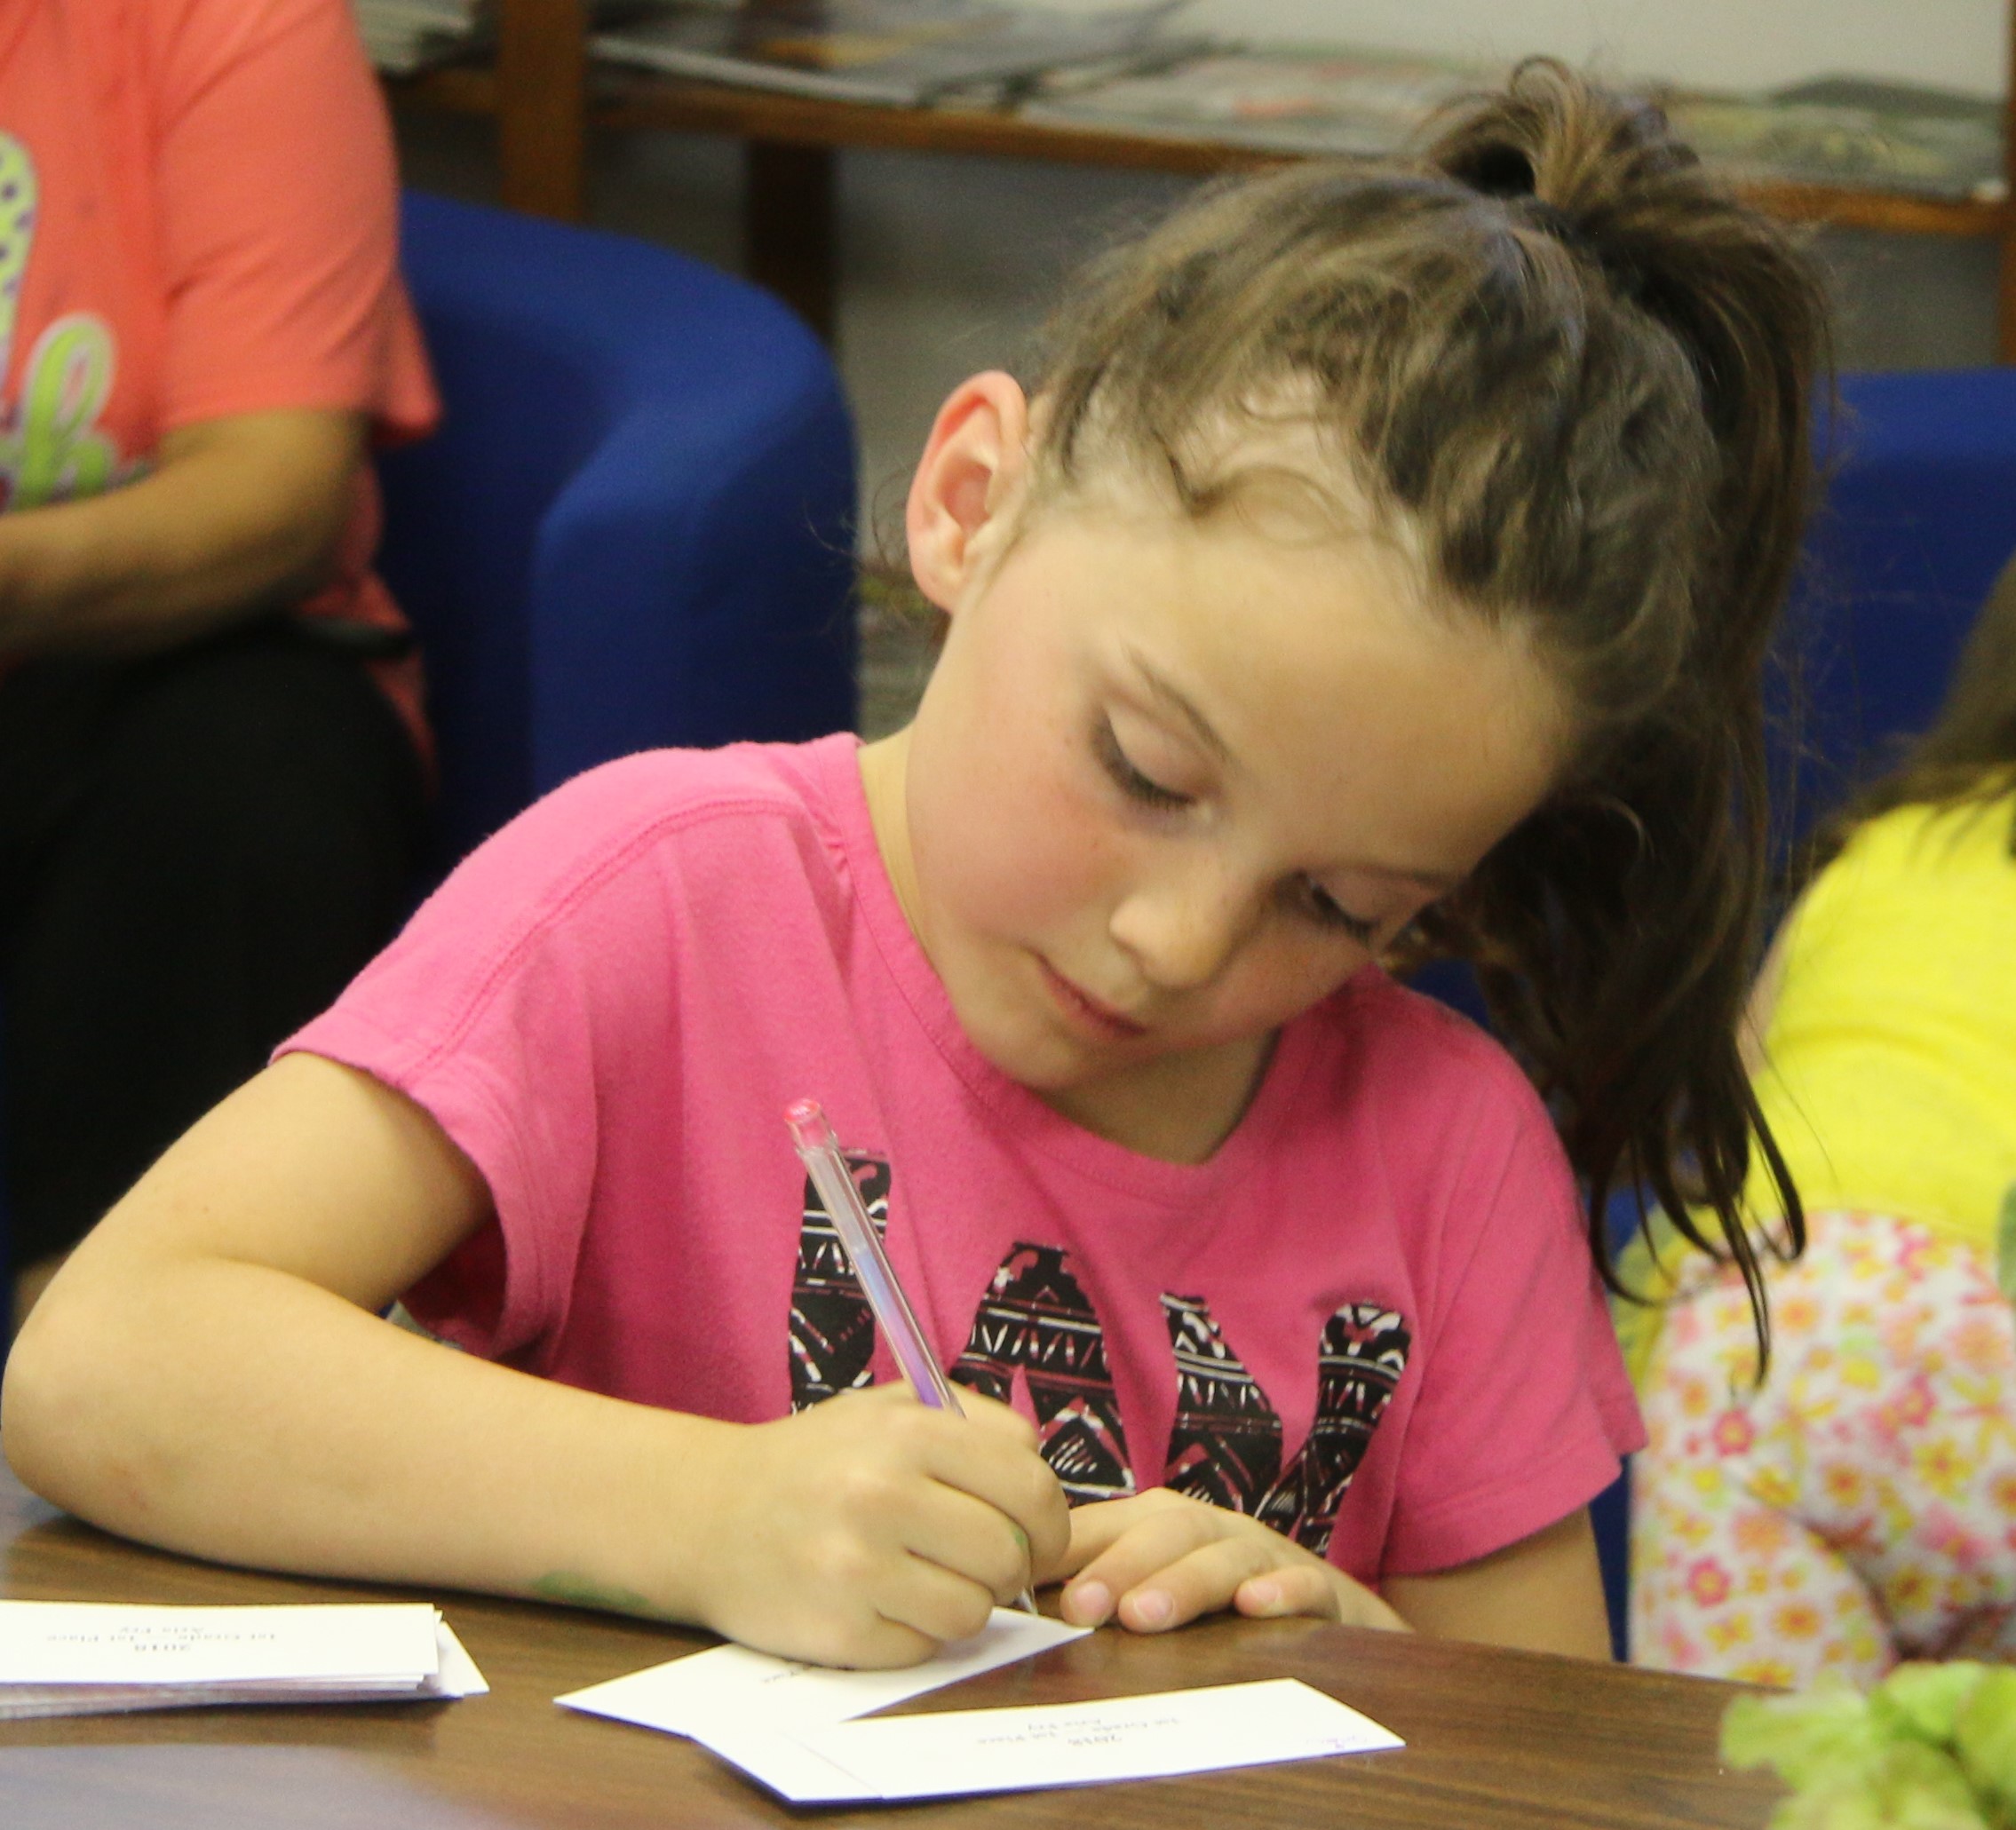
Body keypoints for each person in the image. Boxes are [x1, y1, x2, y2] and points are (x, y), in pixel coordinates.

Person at [3, 63, 1823, 1672]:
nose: (1178, 942)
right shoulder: (654, 899)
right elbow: (109, 1360)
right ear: (969, 501)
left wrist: (1346, 1648)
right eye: (1144, 767)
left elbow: (1547, 1756)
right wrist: (710, 1512)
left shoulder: (1446, 1150)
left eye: (1344, 910)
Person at [0, 0, 438, 1331]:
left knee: (239, 776)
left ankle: (113, 1382)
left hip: (156, 654)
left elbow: (275, 493)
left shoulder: (225, 22)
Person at [1627, 553, 2016, 1690]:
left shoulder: (1872, 856)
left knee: (1766, 1784)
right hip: (1989, 1334)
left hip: (1753, 1342)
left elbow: (1722, 1118)